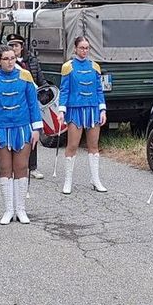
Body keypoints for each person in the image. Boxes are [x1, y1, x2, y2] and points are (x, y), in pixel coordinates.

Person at [0, 45, 42, 224]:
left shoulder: (25, 75)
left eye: (13, 58)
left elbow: (33, 104)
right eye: (6, 59)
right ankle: (8, 210)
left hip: (22, 127)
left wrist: (36, 129)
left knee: (21, 167)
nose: (10, 62)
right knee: (5, 169)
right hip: (0, 129)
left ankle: (21, 209)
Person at [59, 36, 107, 194]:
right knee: (72, 145)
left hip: (93, 109)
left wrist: (102, 109)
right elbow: (64, 90)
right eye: (82, 48)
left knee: (93, 146)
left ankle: (95, 179)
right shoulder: (68, 67)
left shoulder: (95, 67)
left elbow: (99, 90)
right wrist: (61, 110)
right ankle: (68, 181)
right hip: (75, 109)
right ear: (75, 49)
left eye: (87, 48)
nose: (84, 51)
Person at [8, 33, 48, 180]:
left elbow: (40, 80)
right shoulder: (7, 63)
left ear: (22, 47)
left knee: (33, 134)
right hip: (15, 103)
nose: (14, 48)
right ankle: (14, 166)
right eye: (11, 46)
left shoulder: (32, 60)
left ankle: (33, 167)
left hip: (30, 103)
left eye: (16, 45)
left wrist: (45, 92)